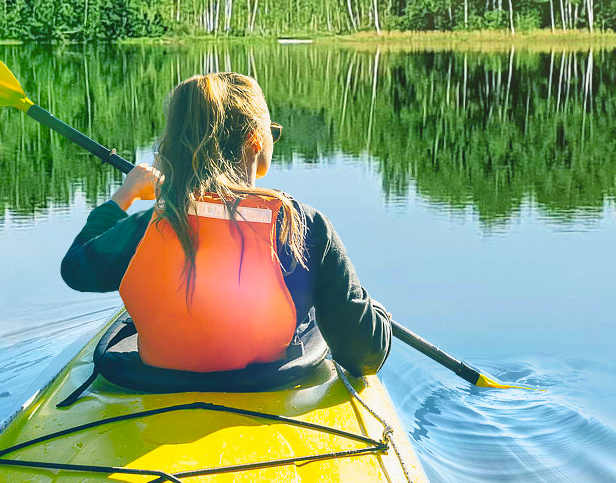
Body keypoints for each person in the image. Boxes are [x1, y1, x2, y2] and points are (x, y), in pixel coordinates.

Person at [60, 71, 392, 379]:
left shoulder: (149, 226)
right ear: (255, 140)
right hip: (266, 386)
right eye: (271, 132)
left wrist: (125, 195)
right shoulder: (302, 227)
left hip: (155, 382)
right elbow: (364, 355)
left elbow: (76, 268)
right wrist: (378, 316)